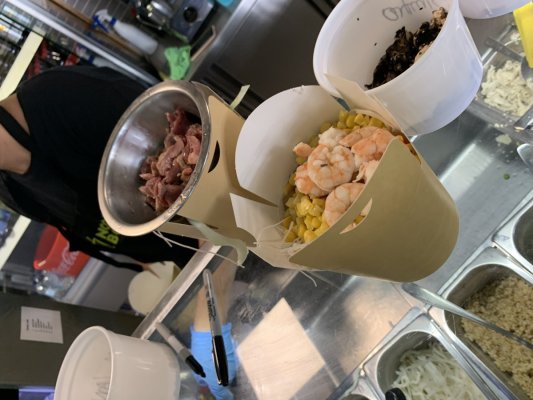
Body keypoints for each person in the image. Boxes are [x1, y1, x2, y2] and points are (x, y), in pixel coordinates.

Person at [0, 65, 198, 272]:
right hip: (184, 259)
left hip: (213, 230)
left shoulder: (67, 97)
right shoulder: (9, 189)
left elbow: (196, 153)